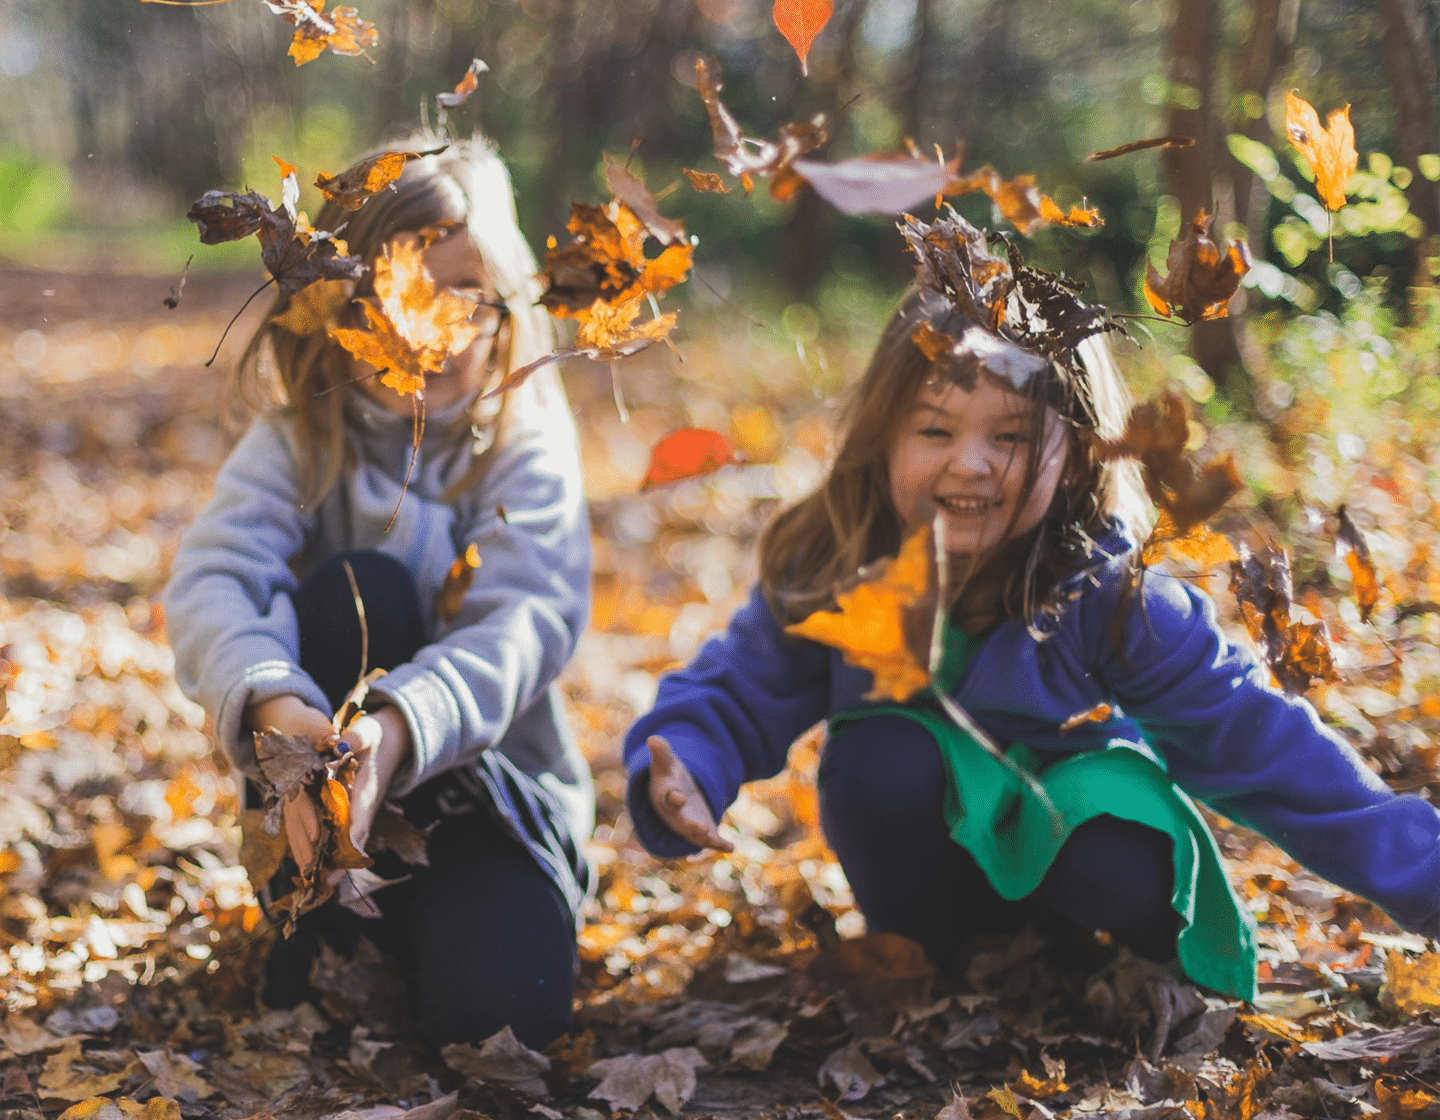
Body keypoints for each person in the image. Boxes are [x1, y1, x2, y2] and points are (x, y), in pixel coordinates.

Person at [622, 222, 1440, 1001]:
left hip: (1084, 860)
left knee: (1116, 842)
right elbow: (739, 687)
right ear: (884, 436)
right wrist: (690, 760)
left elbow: (1267, 749)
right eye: (935, 428)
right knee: (882, 756)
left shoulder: (1113, 596)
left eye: (1010, 437)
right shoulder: (843, 561)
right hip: (927, 874)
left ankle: (1101, 972)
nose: (969, 463)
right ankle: (934, 963)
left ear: (1078, 450)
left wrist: (1428, 879)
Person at [165, 136, 592, 1049]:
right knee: (360, 587)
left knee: (504, 1026)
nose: (427, 329)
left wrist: (395, 732)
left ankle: (462, 932)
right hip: (320, 813)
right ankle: (321, 916)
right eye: (393, 292)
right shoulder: (299, 443)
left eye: (460, 296)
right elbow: (213, 579)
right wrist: (280, 704)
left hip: (488, 810)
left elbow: (526, 621)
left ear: (504, 303)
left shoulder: (521, 444)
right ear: (335, 305)